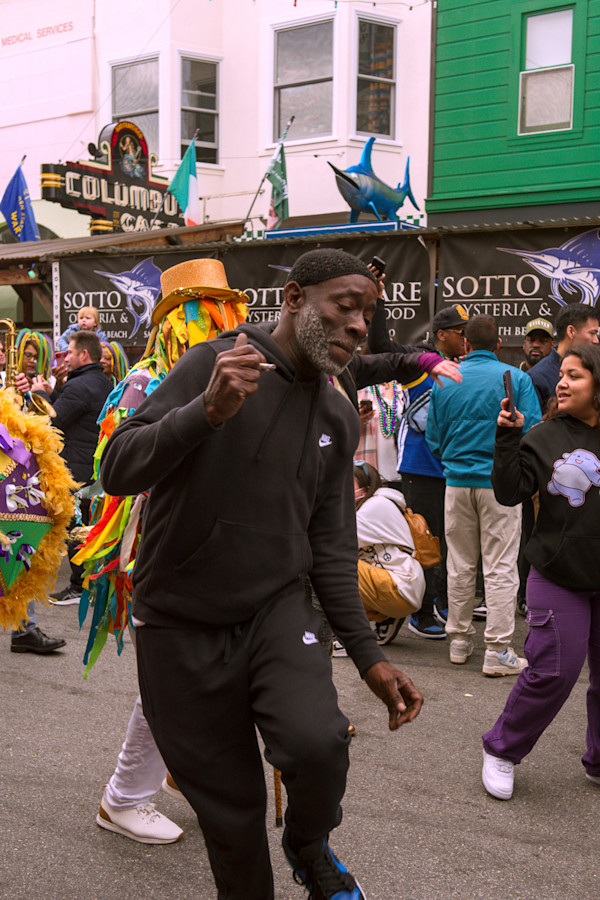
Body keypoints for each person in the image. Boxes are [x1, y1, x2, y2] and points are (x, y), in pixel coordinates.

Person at [100, 248, 425, 900]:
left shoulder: (336, 412)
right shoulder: (211, 364)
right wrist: (207, 413)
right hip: (179, 624)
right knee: (235, 819)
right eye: (346, 305)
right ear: (295, 299)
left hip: (278, 611)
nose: (362, 325)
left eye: (368, 312)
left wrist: (369, 658)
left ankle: (308, 846)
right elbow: (118, 466)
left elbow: (332, 549)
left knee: (320, 743)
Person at [76, 258, 247, 845]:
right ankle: (124, 797)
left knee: (208, 674)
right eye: (209, 309)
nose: (222, 321)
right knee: (172, 677)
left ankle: (174, 769)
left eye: (226, 308)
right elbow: (120, 473)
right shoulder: (145, 383)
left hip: (216, 556)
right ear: (178, 319)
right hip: (160, 553)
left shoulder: (234, 377)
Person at [482, 344, 600, 800]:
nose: (564, 382)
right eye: (564, 374)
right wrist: (507, 438)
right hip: (557, 574)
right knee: (553, 671)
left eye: (577, 375)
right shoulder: (544, 436)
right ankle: (502, 750)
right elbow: (510, 493)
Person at [426, 314, 541, 676]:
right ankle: (497, 649)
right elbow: (534, 430)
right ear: (497, 346)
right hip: (500, 487)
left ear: (465, 344)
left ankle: (458, 640)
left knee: (459, 563)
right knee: (501, 565)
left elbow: (433, 438)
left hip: (456, 484)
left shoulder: (445, 381)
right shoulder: (517, 378)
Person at [369, 302, 470, 640]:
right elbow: (380, 346)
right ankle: (420, 613)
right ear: (442, 335)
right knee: (424, 541)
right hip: (420, 469)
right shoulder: (418, 361)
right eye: (459, 332)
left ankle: (440, 602)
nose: (465, 338)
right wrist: (379, 300)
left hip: (452, 470)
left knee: (448, 541)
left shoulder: (463, 365)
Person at [21, 331, 111, 605]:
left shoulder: (80, 386)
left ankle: (78, 586)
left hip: (77, 470)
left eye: (69, 352)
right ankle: (88, 583)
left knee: (75, 527)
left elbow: (53, 423)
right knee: (86, 526)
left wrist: (37, 395)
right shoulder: (99, 381)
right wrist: (54, 392)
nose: (66, 357)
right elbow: (74, 410)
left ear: (83, 355)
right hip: (91, 468)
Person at [354, 460, 425, 646]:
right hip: (400, 583)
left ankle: (348, 637)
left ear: (365, 488)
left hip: (401, 586)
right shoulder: (374, 502)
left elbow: (332, 541)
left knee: (334, 566)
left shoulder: (375, 506)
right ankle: (384, 617)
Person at [516, 317, 554, 616]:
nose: (536, 345)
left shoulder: (556, 375)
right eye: (532, 340)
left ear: (552, 345)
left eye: (542, 340)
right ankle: (524, 595)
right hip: (524, 468)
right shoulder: (514, 376)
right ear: (524, 344)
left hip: (556, 469)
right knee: (524, 532)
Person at [528, 304, 599, 413]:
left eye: (574, 376)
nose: (596, 341)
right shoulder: (537, 377)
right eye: (592, 333)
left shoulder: (595, 368)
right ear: (571, 332)